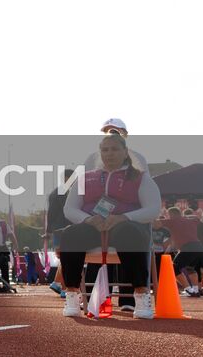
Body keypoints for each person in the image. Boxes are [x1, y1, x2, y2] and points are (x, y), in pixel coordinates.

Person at [59, 132, 161, 320]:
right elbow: (70, 209)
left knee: (130, 233)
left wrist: (124, 217)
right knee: (70, 235)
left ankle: (140, 294)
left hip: (124, 226)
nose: (109, 153)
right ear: (99, 153)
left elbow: (154, 208)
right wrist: (88, 219)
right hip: (93, 226)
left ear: (125, 152)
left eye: (115, 149)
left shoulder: (140, 177)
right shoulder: (85, 178)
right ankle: (72, 294)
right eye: (105, 150)